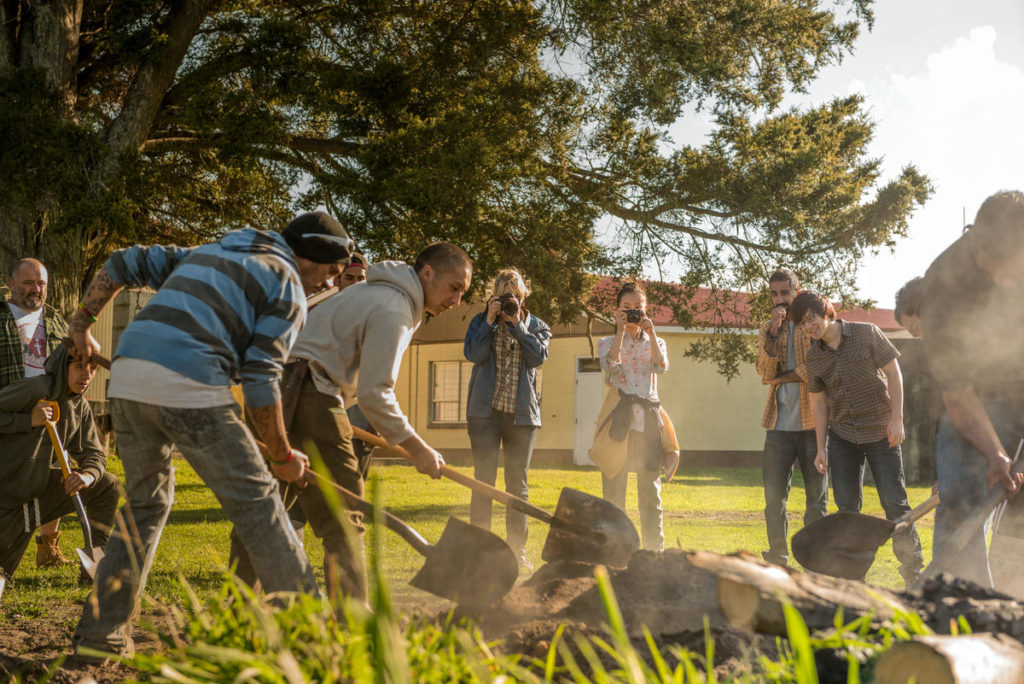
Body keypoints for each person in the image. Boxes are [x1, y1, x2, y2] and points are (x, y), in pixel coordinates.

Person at [71, 212, 353, 659]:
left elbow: (121, 263)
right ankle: (316, 643)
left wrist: (82, 323)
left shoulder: (211, 252)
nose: (326, 285)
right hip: (190, 384)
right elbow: (262, 380)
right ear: (310, 257)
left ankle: (99, 638)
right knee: (260, 507)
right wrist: (281, 455)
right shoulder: (288, 287)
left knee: (145, 505)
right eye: (331, 274)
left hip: (127, 379)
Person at [231, 242, 470, 601]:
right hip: (308, 391)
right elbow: (376, 393)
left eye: (462, 293)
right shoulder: (395, 309)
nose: (456, 301)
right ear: (428, 273)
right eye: (455, 288)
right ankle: (353, 617)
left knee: (261, 506)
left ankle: (236, 608)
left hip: (273, 389)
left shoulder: (371, 292)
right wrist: (417, 447)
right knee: (345, 512)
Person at [917, 191, 1024, 586]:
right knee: (959, 499)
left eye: (1012, 270)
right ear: (974, 238)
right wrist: (995, 453)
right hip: (980, 395)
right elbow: (958, 394)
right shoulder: (943, 286)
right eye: (992, 268)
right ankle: (963, 604)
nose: (1003, 281)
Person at [792, 290, 924, 586]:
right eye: (802, 324)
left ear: (826, 311)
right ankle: (852, 579)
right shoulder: (814, 357)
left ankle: (914, 573)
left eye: (811, 318)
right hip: (842, 437)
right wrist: (821, 448)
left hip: (881, 432)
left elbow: (894, 373)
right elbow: (819, 403)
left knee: (895, 504)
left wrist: (896, 419)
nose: (809, 326)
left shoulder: (867, 334)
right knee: (847, 510)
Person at [0, 344, 120, 600]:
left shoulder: (79, 406)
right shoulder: (36, 390)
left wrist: (87, 475)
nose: (86, 375)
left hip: (37, 489)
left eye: (92, 369)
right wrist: (26, 420)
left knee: (107, 485)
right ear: (61, 367)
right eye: (79, 367)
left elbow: (95, 454)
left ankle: (95, 565)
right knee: (1, 575)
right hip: (7, 496)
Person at [463, 268, 551, 570]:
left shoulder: (537, 326)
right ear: (494, 297)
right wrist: (489, 321)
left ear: (523, 295)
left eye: (514, 294)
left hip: (522, 417)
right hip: (485, 414)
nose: (509, 300)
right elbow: (473, 355)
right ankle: (479, 550)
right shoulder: (480, 321)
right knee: (483, 481)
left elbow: (537, 358)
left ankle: (517, 551)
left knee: (518, 486)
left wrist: (518, 327)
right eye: (503, 295)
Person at [1, 258, 74, 567]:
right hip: (12, 403)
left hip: (54, 404)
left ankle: (47, 547)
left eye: (41, 283)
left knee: (59, 466)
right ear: (12, 283)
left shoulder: (56, 319)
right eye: (29, 283)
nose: (36, 289)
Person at [754, 269, 827, 566]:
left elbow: (817, 369)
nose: (779, 299)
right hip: (778, 426)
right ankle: (778, 556)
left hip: (813, 425)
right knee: (773, 500)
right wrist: (773, 329)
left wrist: (782, 379)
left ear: (797, 292)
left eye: (785, 292)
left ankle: (814, 559)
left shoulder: (812, 325)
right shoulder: (768, 329)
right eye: (774, 293)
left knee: (816, 501)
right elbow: (764, 372)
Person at [594, 281, 667, 552]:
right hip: (620, 422)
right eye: (627, 307)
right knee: (614, 490)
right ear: (617, 310)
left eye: (638, 307)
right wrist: (619, 332)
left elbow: (661, 368)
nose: (633, 312)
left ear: (646, 310)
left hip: (647, 422)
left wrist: (651, 330)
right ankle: (615, 550)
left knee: (650, 491)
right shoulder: (607, 342)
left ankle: (653, 551)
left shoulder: (656, 342)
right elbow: (611, 371)